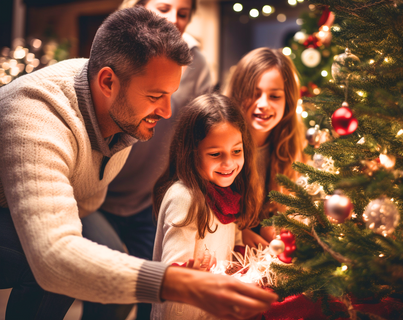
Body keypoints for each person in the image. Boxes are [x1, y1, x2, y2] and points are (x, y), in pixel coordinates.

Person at [0, 7, 277, 320]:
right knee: (57, 269)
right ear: (108, 82)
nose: (167, 111)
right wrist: (178, 282)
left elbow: (86, 201)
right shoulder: (37, 118)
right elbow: (53, 257)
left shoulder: (116, 105)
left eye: (170, 94)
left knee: (115, 282)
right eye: (156, 95)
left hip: (76, 208)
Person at [80, 0, 212, 318]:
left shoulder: (196, 64)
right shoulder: (119, 53)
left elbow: (198, 132)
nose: (174, 20)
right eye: (164, 8)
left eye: (183, 13)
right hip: (96, 195)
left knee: (149, 296)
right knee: (108, 294)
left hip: (146, 198)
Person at [151, 93, 263, 319]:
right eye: (215, 154)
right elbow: (174, 272)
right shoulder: (185, 198)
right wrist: (195, 272)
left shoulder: (228, 194)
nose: (229, 163)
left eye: (237, 151)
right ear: (191, 153)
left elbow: (235, 246)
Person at [225, 47, 307, 247]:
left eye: (275, 96)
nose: (263, 104)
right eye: (254, 94)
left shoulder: (289, 145)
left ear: (288, 101)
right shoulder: (220, 145)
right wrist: (238, 232)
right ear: (238, 94)